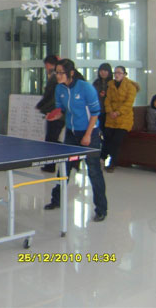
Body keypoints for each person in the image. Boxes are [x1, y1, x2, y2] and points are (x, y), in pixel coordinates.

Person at [44, 59, 107, 222]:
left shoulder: (86, 88)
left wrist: (87, 135)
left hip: (90, 133)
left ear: (71, 73)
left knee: (94, 171)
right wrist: (55, 115)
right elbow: (62, 110)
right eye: (56, 72)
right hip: (71, 133)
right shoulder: (59, 89)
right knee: (64, 168)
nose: (58, 76)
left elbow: (95, 113)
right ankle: (56, 200)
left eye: (61, 73)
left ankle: (101, 209)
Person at [103, 66, 139, 172]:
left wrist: (118, 112)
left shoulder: (130, 87)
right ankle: (103, 158)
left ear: (124, 74)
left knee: (116, 141)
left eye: (119, 73)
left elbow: (128, 103)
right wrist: (110, 111)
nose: (117, 75)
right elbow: (107, 100)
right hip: (111, 118)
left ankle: (113, 163)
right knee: (107, 138)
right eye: (115, 73)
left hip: (124, 118)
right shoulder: (110, 85)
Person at [36, 55, 63, 173]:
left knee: (51, 140)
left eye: (46, 65)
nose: (46, 68)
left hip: (55, 113)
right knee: (51, 139)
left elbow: (50, 97)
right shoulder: (54, 77)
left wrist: (42, 106)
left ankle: (51, 165)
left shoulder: (56, 78)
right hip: (54, 112)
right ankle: (50, 165)